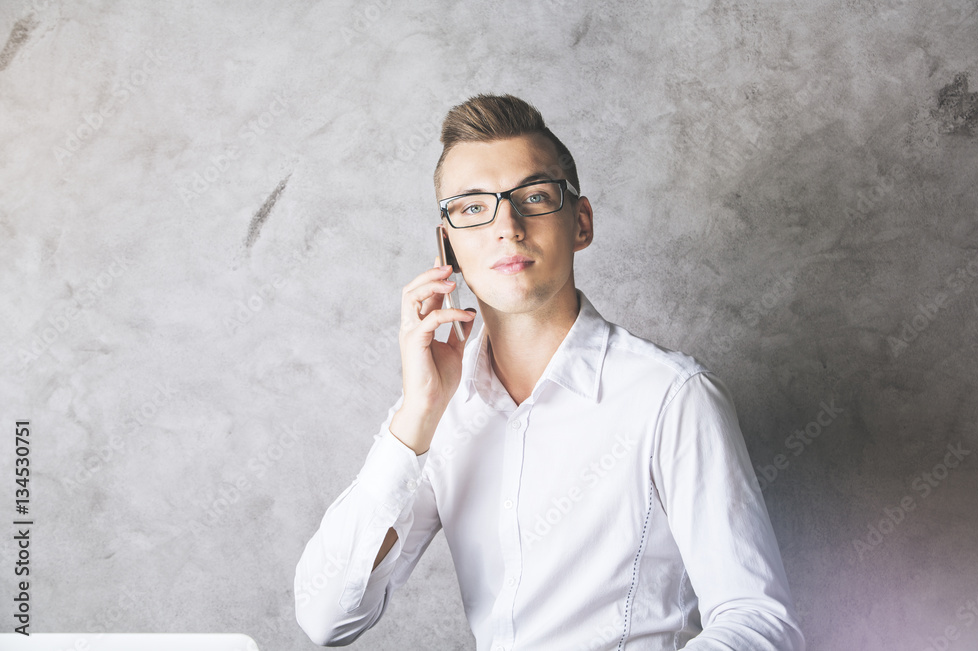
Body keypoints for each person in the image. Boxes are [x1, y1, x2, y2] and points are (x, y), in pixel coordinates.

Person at [294, 93, 806, 650]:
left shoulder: (671, 397)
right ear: (448, 249)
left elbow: (758, 623)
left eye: (533, 197)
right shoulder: (440, 413)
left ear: (580, 223)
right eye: (471, 208)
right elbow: (328, 620)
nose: (506, 226)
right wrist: (416, 414)